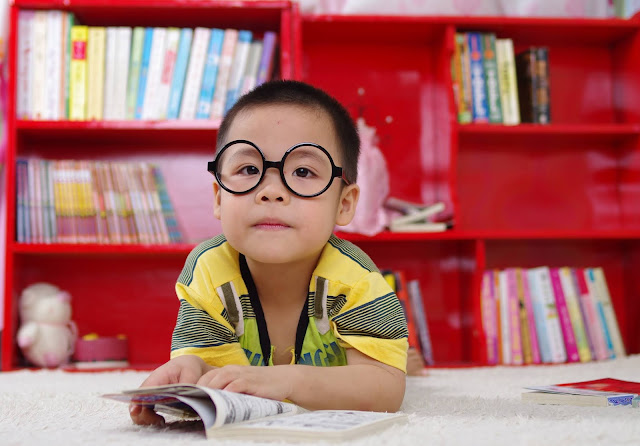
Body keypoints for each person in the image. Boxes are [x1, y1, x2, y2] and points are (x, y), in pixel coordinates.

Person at [130, 80, 409, 426]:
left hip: (347, 364)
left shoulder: (356, 279)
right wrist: (193, 370)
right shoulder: (208, 270)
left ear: (345, 203)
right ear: (219, 198)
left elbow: (386, 387)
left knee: (401, 362)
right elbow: (218, 371)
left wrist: (286, 380)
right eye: (249, 170)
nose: (272, 191)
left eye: (303, 171)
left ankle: (408, 355)